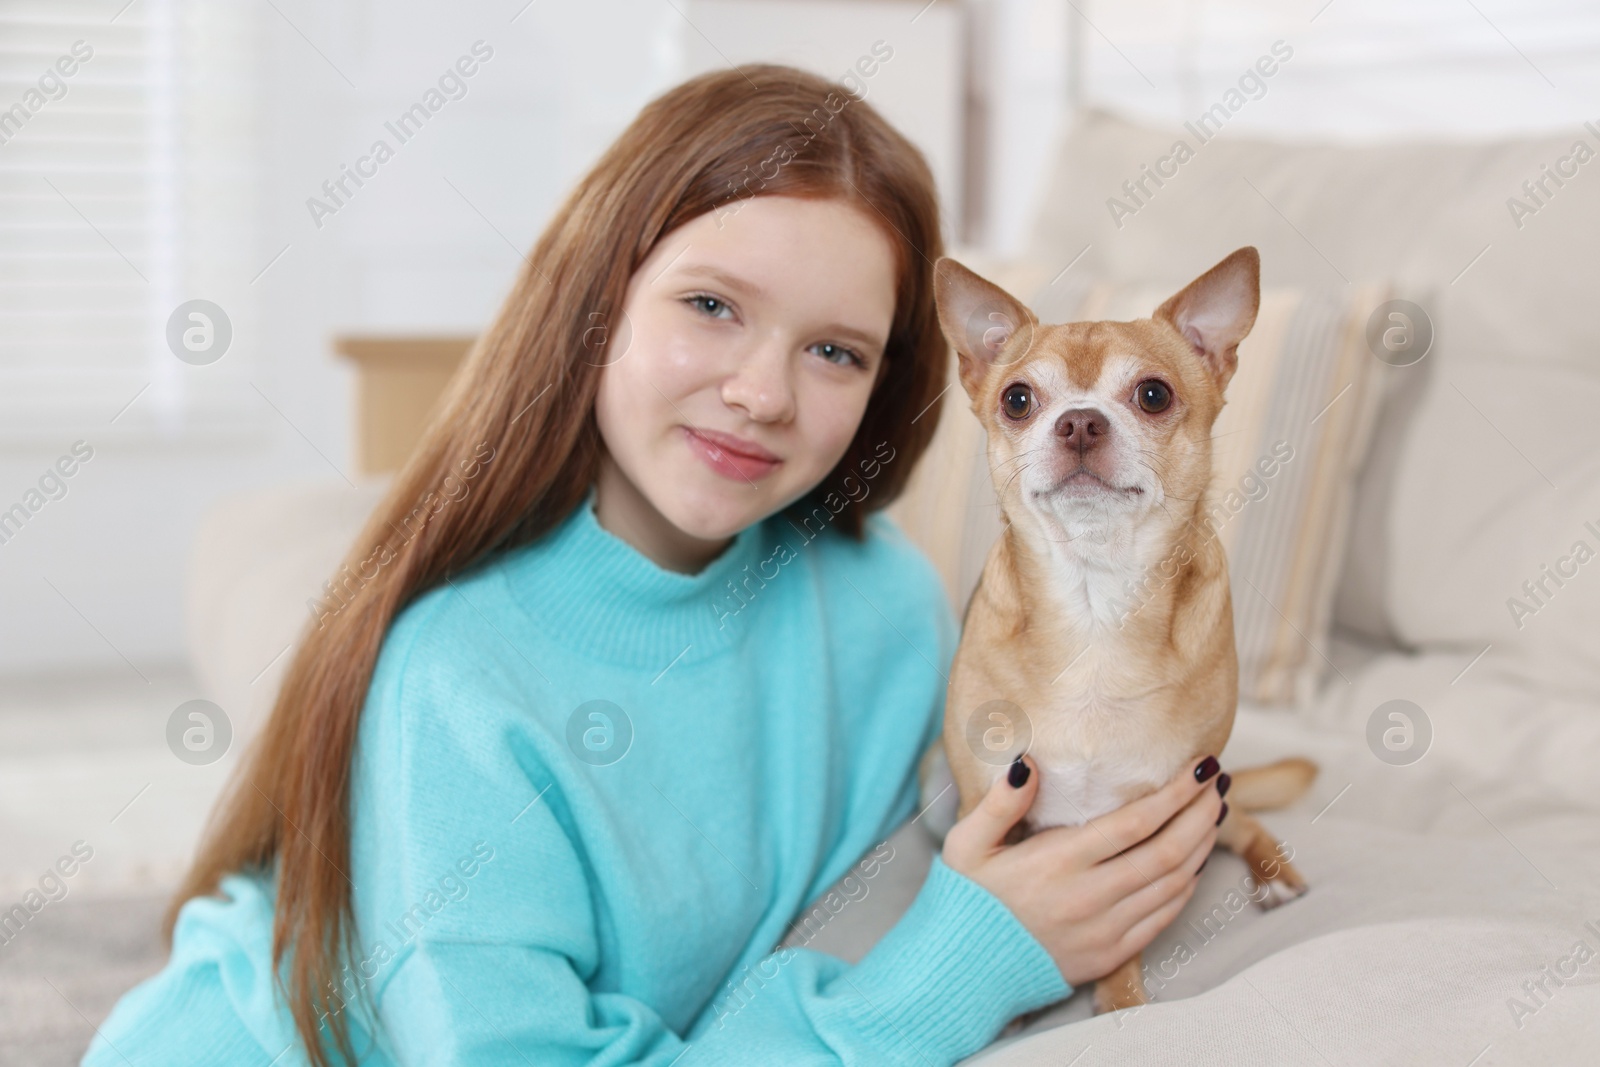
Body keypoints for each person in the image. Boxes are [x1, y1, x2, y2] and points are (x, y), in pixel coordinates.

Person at [83, 63, 1223, 1067]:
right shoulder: (456, 675)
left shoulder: (886, 604)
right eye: (712, 305)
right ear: (598, 302)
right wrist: (959, 966)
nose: (762, 392)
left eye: (834, 350)